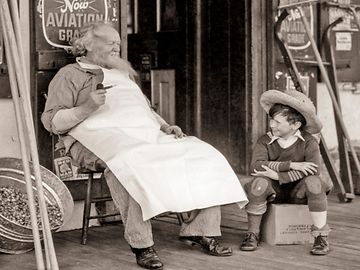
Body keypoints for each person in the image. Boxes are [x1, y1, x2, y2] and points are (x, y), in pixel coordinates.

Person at [41, 21, 248, 269]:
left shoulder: (124, 73)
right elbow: (52, 122)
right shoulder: (70, 75)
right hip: (94, 140)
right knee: (129, 162)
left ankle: (200, 230)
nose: (117, 47)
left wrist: (164, 126)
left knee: (202, 153)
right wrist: (88, 106)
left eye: (118, 43)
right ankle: (142, 245)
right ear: (88, 45)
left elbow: (144, 111)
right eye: (111, 43)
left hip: (143, 136)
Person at [240, 89, 333, 255]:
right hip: (273, 193)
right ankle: (252, 233)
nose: (271, 125)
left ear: (295, 125)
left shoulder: (309, 142)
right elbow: (256, 167)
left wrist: (277, 175)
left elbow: (314, 169)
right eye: (271, 120)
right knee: (259, 183)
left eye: (277, 122)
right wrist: (292, 165)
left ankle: (321, 236)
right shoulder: (265, 140)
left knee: (314, 182)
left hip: (299, 193)